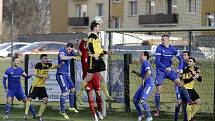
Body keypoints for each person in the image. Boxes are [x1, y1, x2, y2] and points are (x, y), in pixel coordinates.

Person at [77, 17, 114, 103]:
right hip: (93, 59)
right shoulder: (92, 35)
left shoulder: (95, 35)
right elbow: (89, 45)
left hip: (97, 58)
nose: (99, 28)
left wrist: (106, 52)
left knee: (101, 78)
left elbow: (98, 49)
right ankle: (79, 96)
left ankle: (107, 96)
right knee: (88, 78)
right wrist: (93, 54)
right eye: (98, 27)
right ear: (94, 28)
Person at [24, 54, 64, 121]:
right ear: (41, 59)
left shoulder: (48, 65)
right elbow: (37, 75)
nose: (46, 59)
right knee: (29, 99)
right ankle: (26, 114)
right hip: (35, 85)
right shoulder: (38, 65)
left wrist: (62, 64)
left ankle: (39, 116)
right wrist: (45, 76)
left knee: (45, 101)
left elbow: (56, 66)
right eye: (45, 58)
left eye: (46, 58)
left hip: (42, 87)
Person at [154, 35, 184, 117]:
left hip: (169, 70)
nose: (162, 41)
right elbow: (157, 61)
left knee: (179, 83)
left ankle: (186, 102)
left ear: (168, 40)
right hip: (160, 70)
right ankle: (157, 110)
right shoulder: (159, 48)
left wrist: (180, 68)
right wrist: (164, 68)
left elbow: (181, 59)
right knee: (158, 90)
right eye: (161, 40)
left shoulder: (172, 48)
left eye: (163, 40)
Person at [79, 37, 103, 121]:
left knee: (98, 94)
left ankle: (99, 111)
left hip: (95, 77)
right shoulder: (84, 54)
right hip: (87, 79)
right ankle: (94, 114)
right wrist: (86, 37)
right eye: (87, 45)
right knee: (90, 96)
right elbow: (81, 45)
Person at [56, 43, 78, 119]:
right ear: (66, 47)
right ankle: (62, 111)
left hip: (66, 74)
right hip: (60, 74)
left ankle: (71, 107)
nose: (69, 51)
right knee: (64, 93)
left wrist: (80, 48)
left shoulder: (70, 51)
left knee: (73, 89)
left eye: (70, 50)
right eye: (68, 49)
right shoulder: (62, 50)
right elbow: (62, 57)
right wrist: (71, 56)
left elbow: (78, 54)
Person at [132, 51, 154, 121]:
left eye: (142, 55)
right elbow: (142, 74)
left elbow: (149, 72)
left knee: (142, 100)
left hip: (149, 84)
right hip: (144, 85)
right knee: (135, 99)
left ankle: (149, 117)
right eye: (140, 55)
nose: (140, 56)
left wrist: (143, 80)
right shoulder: (142, 64)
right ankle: (141, 115)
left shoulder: (145, 62)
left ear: (145, 57)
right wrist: (135, 72)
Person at [182, 57, 202, 121]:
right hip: (185, 88)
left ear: (194, 63)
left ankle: (190, 117)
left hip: (191, 88)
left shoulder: (196, 69)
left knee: (198, 102)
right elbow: (185, 81)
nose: (189, 62)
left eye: (190, 61)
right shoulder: (185, 70)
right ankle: (189, 119)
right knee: (190, 103)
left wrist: (197, 74)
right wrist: (193, 77)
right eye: (188, 61)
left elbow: (200, 80)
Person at [174, 51, 191, 121]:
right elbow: (178, 74)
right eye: (182, 55)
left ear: (188, 56)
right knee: (179, 102)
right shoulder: (181, 63)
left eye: (185, 55)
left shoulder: (190, 64)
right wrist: (182, 74)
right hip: (179, 85)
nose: (183, 56)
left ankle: (186, 119)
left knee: (186, 103)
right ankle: (175, 117)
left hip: (186, 86)